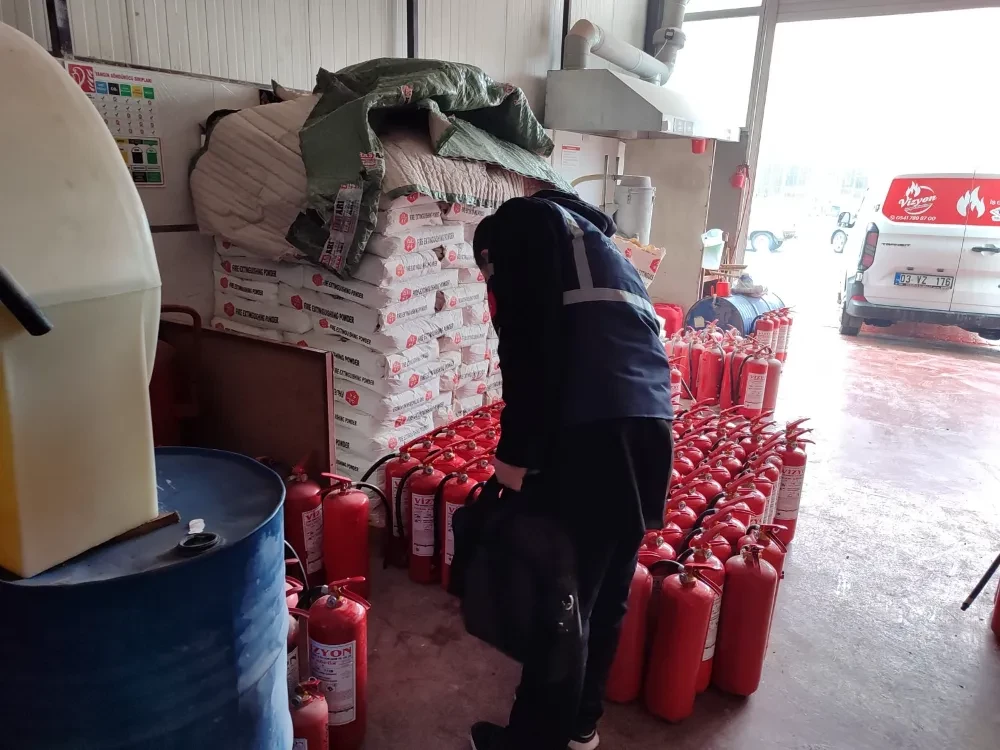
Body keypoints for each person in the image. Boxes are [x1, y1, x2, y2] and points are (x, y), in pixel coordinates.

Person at [468, 190, 674, 750]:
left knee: (558, 600)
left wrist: (513, 461)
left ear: (489, 253)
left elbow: (530, 355)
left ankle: (531, 741)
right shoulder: (595, 242)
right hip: (651, 424)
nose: (489, 285)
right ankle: (581, 727)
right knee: (603, 592)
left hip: (593, 428)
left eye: (485, 271)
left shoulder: (519, 227)